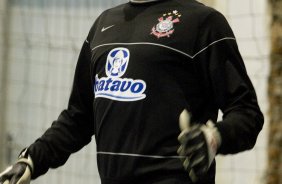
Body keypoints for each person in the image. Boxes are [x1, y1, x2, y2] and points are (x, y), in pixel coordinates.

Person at [0, 0, 264, 183]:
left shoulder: (203, 22)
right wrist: (33, 160)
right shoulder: (104, 24)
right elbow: (78, 118)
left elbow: (247, 113)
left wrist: (214, 137)